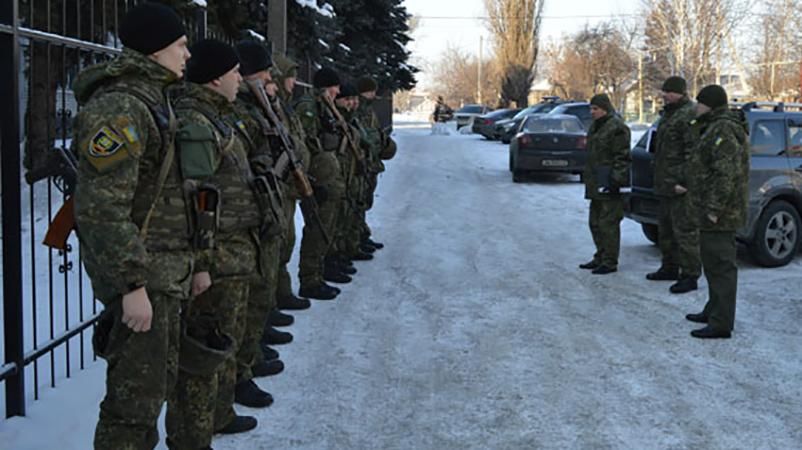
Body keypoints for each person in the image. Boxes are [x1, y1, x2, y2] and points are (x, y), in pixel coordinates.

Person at [71, 4, 200, 449]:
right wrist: (131, 285)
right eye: (181, 45)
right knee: (132, 408)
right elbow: (101, 208)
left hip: (161, 274)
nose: (187, 54)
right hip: (144, 278)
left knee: (149, 398)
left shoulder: (153, 98)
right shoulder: (122, 107)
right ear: (156, 48)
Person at [165, 39, 269, 447]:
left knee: (225, 344)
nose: (239, 79)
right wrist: (203, 262)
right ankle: (191, 436)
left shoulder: (218, 117)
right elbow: (199, 198)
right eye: (233, 72)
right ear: (214, 79)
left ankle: (219, 414)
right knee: (203, 356)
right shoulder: (197, 122)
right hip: (217, 256)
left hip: (233, 251)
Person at [685, 85, 749, 339]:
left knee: (721, 265)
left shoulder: (723, 128)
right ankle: (714, 309)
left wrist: (713, 209)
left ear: (709, 104)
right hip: (713, 211)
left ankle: (721, 323)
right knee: (712, 263)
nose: (696, 107)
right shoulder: (713, 125)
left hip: (722, 214)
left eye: (699, 103)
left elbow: (726, 173)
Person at [294, 67, 347, 300]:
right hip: (315, 178)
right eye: (334, 87)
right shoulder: (309, 107)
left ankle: (319, 273)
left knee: (325, 228)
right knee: (317, 228)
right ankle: (310, 279)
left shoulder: (326, 107)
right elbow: (307, 143)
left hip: (326, 176)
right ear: (326, 87)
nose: (338, 91)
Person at [646, 76, 701, 294]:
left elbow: (693, 152)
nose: (665, 95)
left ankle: (690, 275)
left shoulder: (688, 114)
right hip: (665, 184)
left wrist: (684, 182)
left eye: (669, 92)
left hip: (679, 186)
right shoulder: (668, 115)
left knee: (685, 233)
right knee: (666, 230)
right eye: (664, 91)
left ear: (680, 92)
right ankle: (669, 267)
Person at [579, 94, 631, 275]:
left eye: (595, 109)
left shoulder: (617, 128)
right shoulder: (596, 127)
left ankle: (610, 261)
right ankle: (600, 255)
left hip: (610, 183)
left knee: (608, 223)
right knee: (595, 222)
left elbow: (622, 156)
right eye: (591, 108)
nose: (592, 112)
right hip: (596, 183)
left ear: (605, 109)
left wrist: (616, 180)